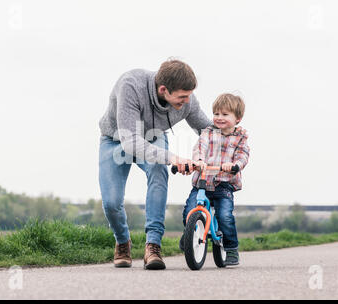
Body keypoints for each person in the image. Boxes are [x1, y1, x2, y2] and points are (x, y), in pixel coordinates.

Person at [98, 59, 213, 270]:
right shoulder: (131, 85)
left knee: (159, 170)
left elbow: (206, 129)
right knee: (111, 203)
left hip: (153, 138)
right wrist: (173, 157)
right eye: (182, 97)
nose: (187, 101)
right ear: (163, 89)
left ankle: (153, 245)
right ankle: (123, 242)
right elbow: (130, 141)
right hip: (115, 139)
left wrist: (232, 136)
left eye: (189, 96)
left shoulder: (188, 99)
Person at [179, 93, 250, 265]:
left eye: (225, 114)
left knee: (225, 216)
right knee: (189, 211)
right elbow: (200, 147)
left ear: (237, 118)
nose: (219, 118)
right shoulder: (208, 133)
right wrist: (199, 161)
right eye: (217, 114)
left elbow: (243, 155)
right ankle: (190, 234)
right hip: (202, 182)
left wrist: (234, 165)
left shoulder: (240, 138)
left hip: (224, 184)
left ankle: (231, 249)